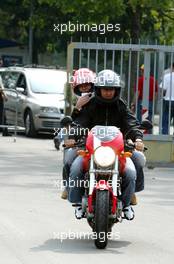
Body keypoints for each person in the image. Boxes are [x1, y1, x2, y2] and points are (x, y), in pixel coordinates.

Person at [66, 70, 146, 221]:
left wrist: (138, 139)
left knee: (132, 171)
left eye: (111, 89)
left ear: (117, 90)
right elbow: (80, 123)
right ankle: (76, 202)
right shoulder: (90, 105)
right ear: (98, 89)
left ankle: (128, 202)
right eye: (105, 89)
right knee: (76, 168)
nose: (108, 92)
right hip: (91, 148)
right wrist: (72, 136)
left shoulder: (121, 105)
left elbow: (131, 124)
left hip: (118, 149)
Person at [60, 68, 95, 199]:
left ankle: (129, 192)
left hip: (104, 141)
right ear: (77, 88)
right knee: (69, 158)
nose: (85, 88)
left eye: (88, 85)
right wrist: (78, 107)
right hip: (83, 142)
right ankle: (68, 187)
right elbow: (75, 123)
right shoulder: (79, 103)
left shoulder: (101, 100)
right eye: (82, 86)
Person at [160, 63, 174, 134]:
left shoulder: (167, 76)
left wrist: (163, 96)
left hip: (168, 100)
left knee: (166, 120)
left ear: (172, 67)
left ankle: (164, 134)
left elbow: (164, 89)